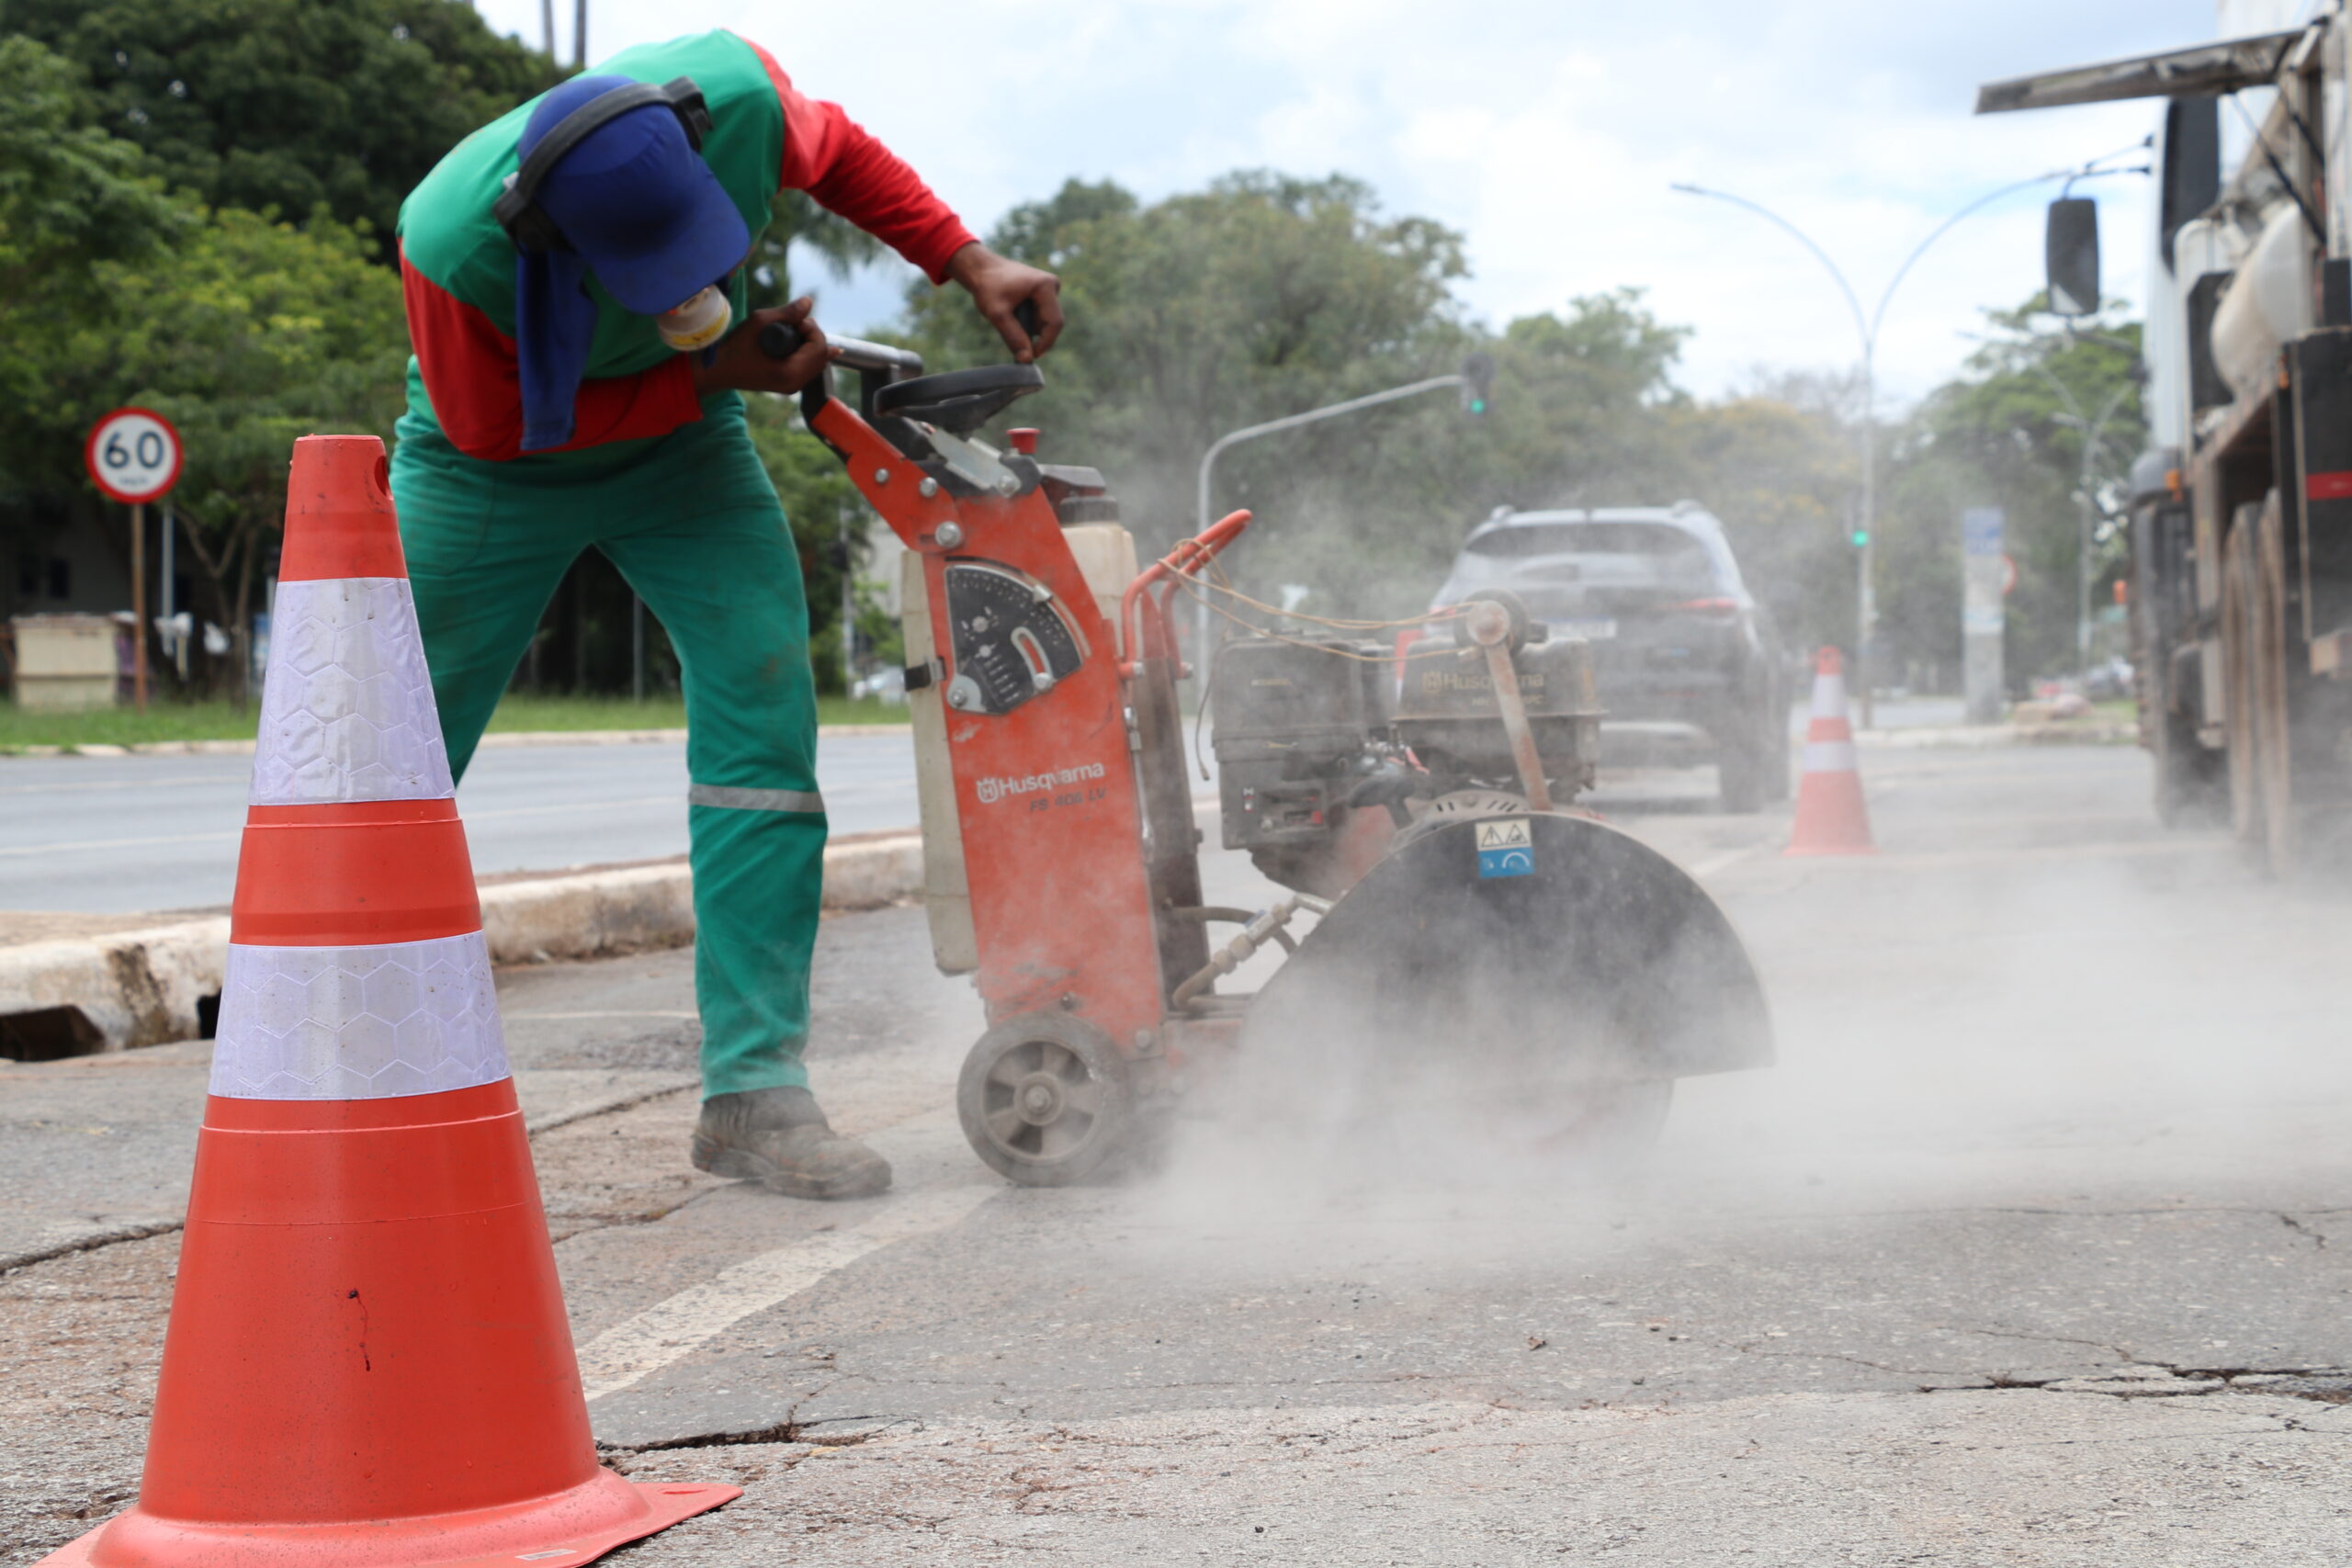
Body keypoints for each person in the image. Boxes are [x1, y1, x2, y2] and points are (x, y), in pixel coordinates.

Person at [391, 29, 1058, 1199]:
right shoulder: (451, 246)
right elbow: (496, 425)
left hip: (684, 456)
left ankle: (755, 1089)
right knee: (383, 754)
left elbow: (838, 153)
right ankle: (324, 1063)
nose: (688, 286)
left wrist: (964, 257)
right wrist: (716, 372)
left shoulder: (735, 95)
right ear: (550, 238)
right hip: (486, 471)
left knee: (763, 722)